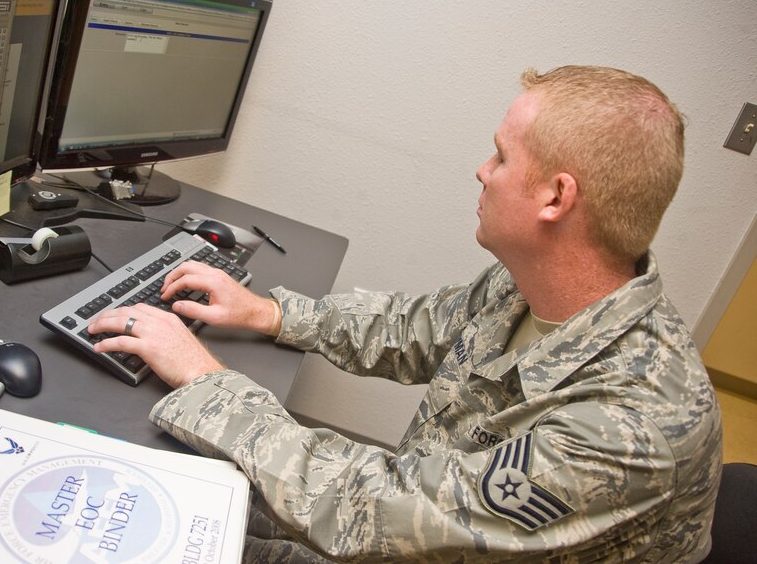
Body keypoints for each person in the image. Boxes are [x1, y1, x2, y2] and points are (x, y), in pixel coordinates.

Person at [88, 65, 722, 563]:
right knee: (176, 481)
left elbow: (380, 510)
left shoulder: (633, 428)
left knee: (141, 539)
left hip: (397, 524)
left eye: (501, 156)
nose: (482, 170)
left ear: (556, 197)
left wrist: (204, 379)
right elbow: (413, 328)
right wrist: (269, 313)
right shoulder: (536, 287)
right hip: (405, 517)